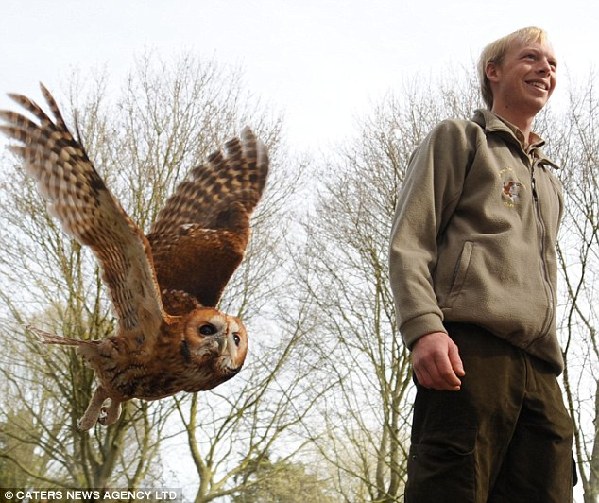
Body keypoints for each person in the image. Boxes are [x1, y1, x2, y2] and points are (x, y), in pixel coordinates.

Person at [388, 26, 574, 502]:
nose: (545, 69)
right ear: (494, 72)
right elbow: (411, 238)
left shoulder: (549, 182)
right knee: (453, 489)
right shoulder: (460, 139)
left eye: (551, 64)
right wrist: (424, 328)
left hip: (540, 368)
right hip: (468, 353)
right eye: (530, 58)